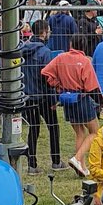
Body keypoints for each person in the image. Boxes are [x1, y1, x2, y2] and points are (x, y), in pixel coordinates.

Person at [41, 34, 103, 177]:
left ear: (71, 44)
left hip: (67, 99)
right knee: (95, 132)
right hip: (81, 99)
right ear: (84, 45)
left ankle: (81, 166)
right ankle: (77, 158)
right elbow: (91, 86)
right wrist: (101, 101)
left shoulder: (61, 58)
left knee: (79, 132)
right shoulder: (84, 61)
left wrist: (56, 84)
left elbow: (45, 72)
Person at [21, 20, 64, 173]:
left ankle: (32, 164)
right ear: (44, 32)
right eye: (48, 31)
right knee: (53, 127)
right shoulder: (45, 52)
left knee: (33, 129)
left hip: (27, 95)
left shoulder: (22, 49)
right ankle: (56, 161)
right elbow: (49, 78)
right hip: (44, 96)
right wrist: (53, 99)